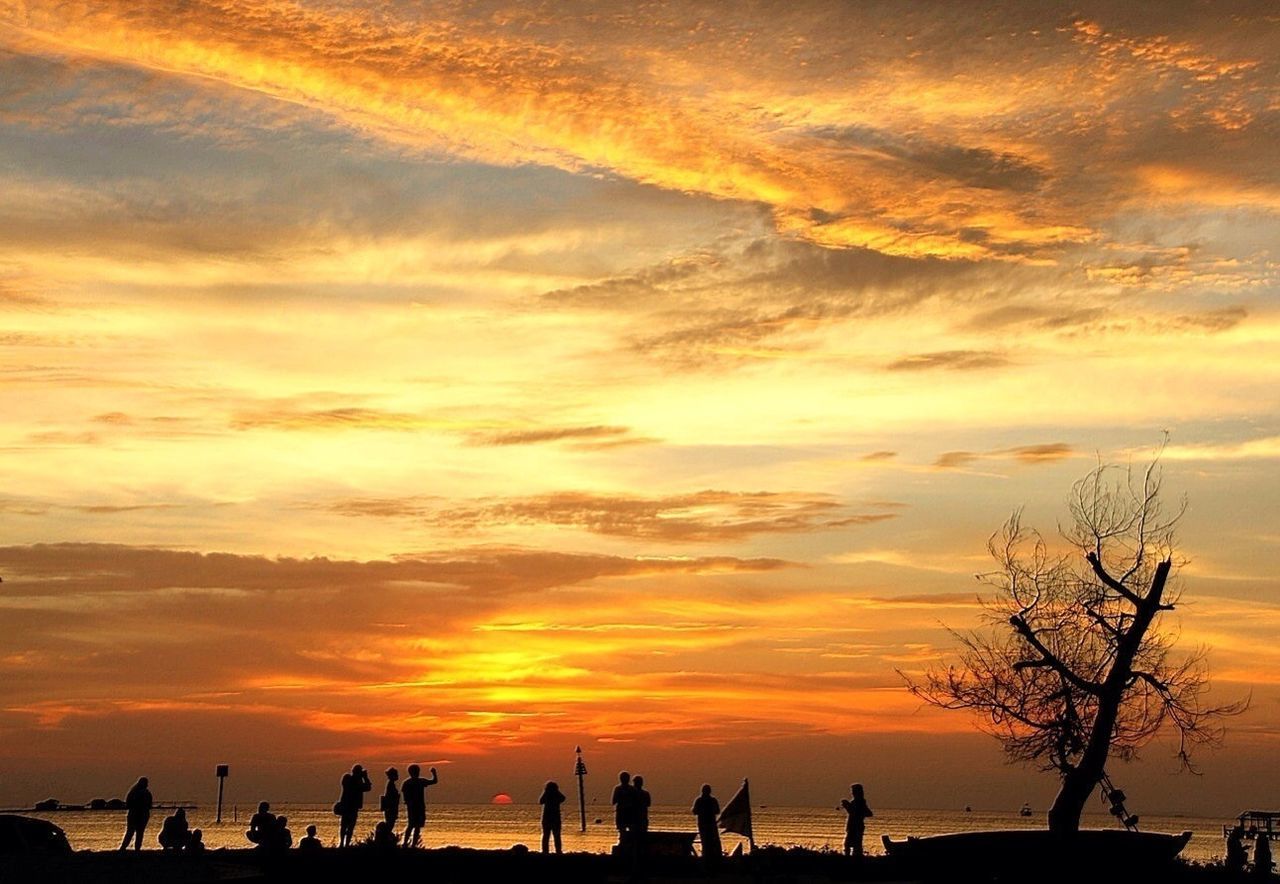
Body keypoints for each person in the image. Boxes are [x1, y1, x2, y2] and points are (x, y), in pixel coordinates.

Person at [401, 764, 439, 847]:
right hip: (417, 806)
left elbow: (404, 796)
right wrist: (434, 773)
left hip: (414, 807)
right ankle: (409, 844)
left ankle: (408, 844)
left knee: (413, 825)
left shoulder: (407, 782)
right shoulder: (419, 781)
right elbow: (434, 781)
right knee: (414, 826)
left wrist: (434, 773)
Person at [337, 764, 372, 847]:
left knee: (346, 826)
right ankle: (343, 843)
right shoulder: (350, 779)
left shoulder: (349, 780)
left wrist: (363, 777)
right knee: (347, 826)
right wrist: (365, 777)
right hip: (350, 807)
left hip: (350, 807)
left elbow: (367, 788)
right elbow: (367, 787)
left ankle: (344, 844)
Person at [118, 776, 153, 851]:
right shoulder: (145, 793)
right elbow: (149, 805)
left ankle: (124, 847)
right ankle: (135, 848)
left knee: (131, 832)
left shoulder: (133, 792)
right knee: (138, 832)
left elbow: (128, 803)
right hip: (140, 815)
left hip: (134, 814)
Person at [840, 783, 873, 859]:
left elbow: (857, 813)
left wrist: (847, 806)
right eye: (852, 791)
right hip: (853, 827)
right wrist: (847, 806)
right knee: (851, 845)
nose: (852, 793)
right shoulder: (856, 802)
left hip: (856, 827)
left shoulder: (860, 802)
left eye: (853, 791)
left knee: (852, 845)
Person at [692, 784, 721, 867]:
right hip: (707, 824)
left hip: (708, 824)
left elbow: (694, 811)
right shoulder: (706, 800)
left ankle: (709, 858)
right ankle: (708, 858)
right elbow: (717, 811)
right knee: (708, 842)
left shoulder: (701, 800)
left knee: (708, 842)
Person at [538, 781, 566, 854]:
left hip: (547, 817)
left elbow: (541, 801)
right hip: (555, 817)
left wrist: (546, 792)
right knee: (556, 835)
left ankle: (545, 851)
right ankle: (558, 851)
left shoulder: (547, 794)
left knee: (546, 835)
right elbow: (563, 798)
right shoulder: (556, 795)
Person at [611, 771, 637, 844]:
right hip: (629, 812)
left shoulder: (618, 789)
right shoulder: (632, 789)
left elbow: (613, 801)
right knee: (630, 829)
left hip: (623, 812)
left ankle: (623, 843)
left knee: (622, 830)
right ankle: (628, 843)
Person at [381, 767, 401, 834]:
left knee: (390, 824)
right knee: (390, 824)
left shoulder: (391, 784)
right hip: (391, 808)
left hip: (391, 808)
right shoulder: (390, 784)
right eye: (396, 774)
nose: (397, 776)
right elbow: (390, 797)